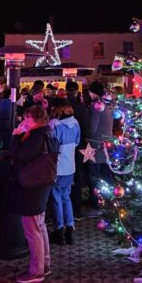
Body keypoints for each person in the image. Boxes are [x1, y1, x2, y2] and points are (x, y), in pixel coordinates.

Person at [8, 105, 54, 283]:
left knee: (32, 229)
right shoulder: (47, 133)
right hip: (42, 183)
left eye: (28, 119)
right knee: (39, 226)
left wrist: (15, 137)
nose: (24, 122)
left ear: (37, 120)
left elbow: (19, 156)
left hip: (32, 185)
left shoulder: (36, 138)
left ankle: (36, 271)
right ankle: (45, 265)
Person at [48, 103, 80, 245]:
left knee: (56, 199)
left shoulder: (54, 125)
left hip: (57, 167)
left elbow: (49, 146)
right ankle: (70, 231)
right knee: (66, 198)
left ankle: (59, 230)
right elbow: (77, 142)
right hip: (70, 167)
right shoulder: (76, 123)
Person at [65, 80, 91, 220]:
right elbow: (86, 127)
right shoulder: (81, 107)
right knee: (77, 176)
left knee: (65, 178)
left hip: (63, 148)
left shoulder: (63, 106)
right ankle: (76, 209)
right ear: (76, 91)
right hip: (79, 146)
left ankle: (66, 209)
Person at [86, 80, 114, 206]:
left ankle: (97, 200)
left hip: (95, 143)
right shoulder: (108, 104)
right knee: (106, 172)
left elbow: (93, 126)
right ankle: (110, 198)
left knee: (94, 173)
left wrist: (87, 137)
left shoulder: (97, 106)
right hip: (107, 142)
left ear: (93, 93)